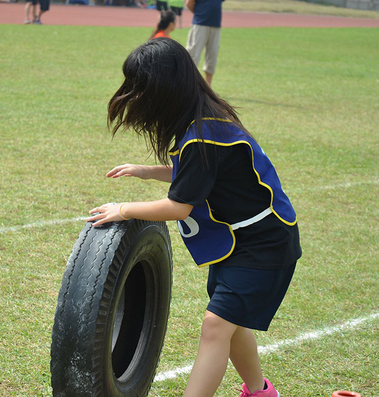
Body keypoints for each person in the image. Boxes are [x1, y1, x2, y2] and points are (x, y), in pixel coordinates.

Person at [88, 38, 301, 397]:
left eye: (140, 87)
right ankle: (261, 392)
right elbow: (197, 175)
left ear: (163, 89)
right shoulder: (203, 122)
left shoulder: (202, 135)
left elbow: (179, 207)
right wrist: (147, 171)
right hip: (241, 241)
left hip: (264, 245)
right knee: (230, 323)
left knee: (216, 325)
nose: (133, 96)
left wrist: (123, 209)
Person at [185, 0, 224, 86]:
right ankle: (189, 85)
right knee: (193, 54)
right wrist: (200, 14)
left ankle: (208, 87)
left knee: (212, 55)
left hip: (215, 25)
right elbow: (189, 3)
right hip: (200, 24)